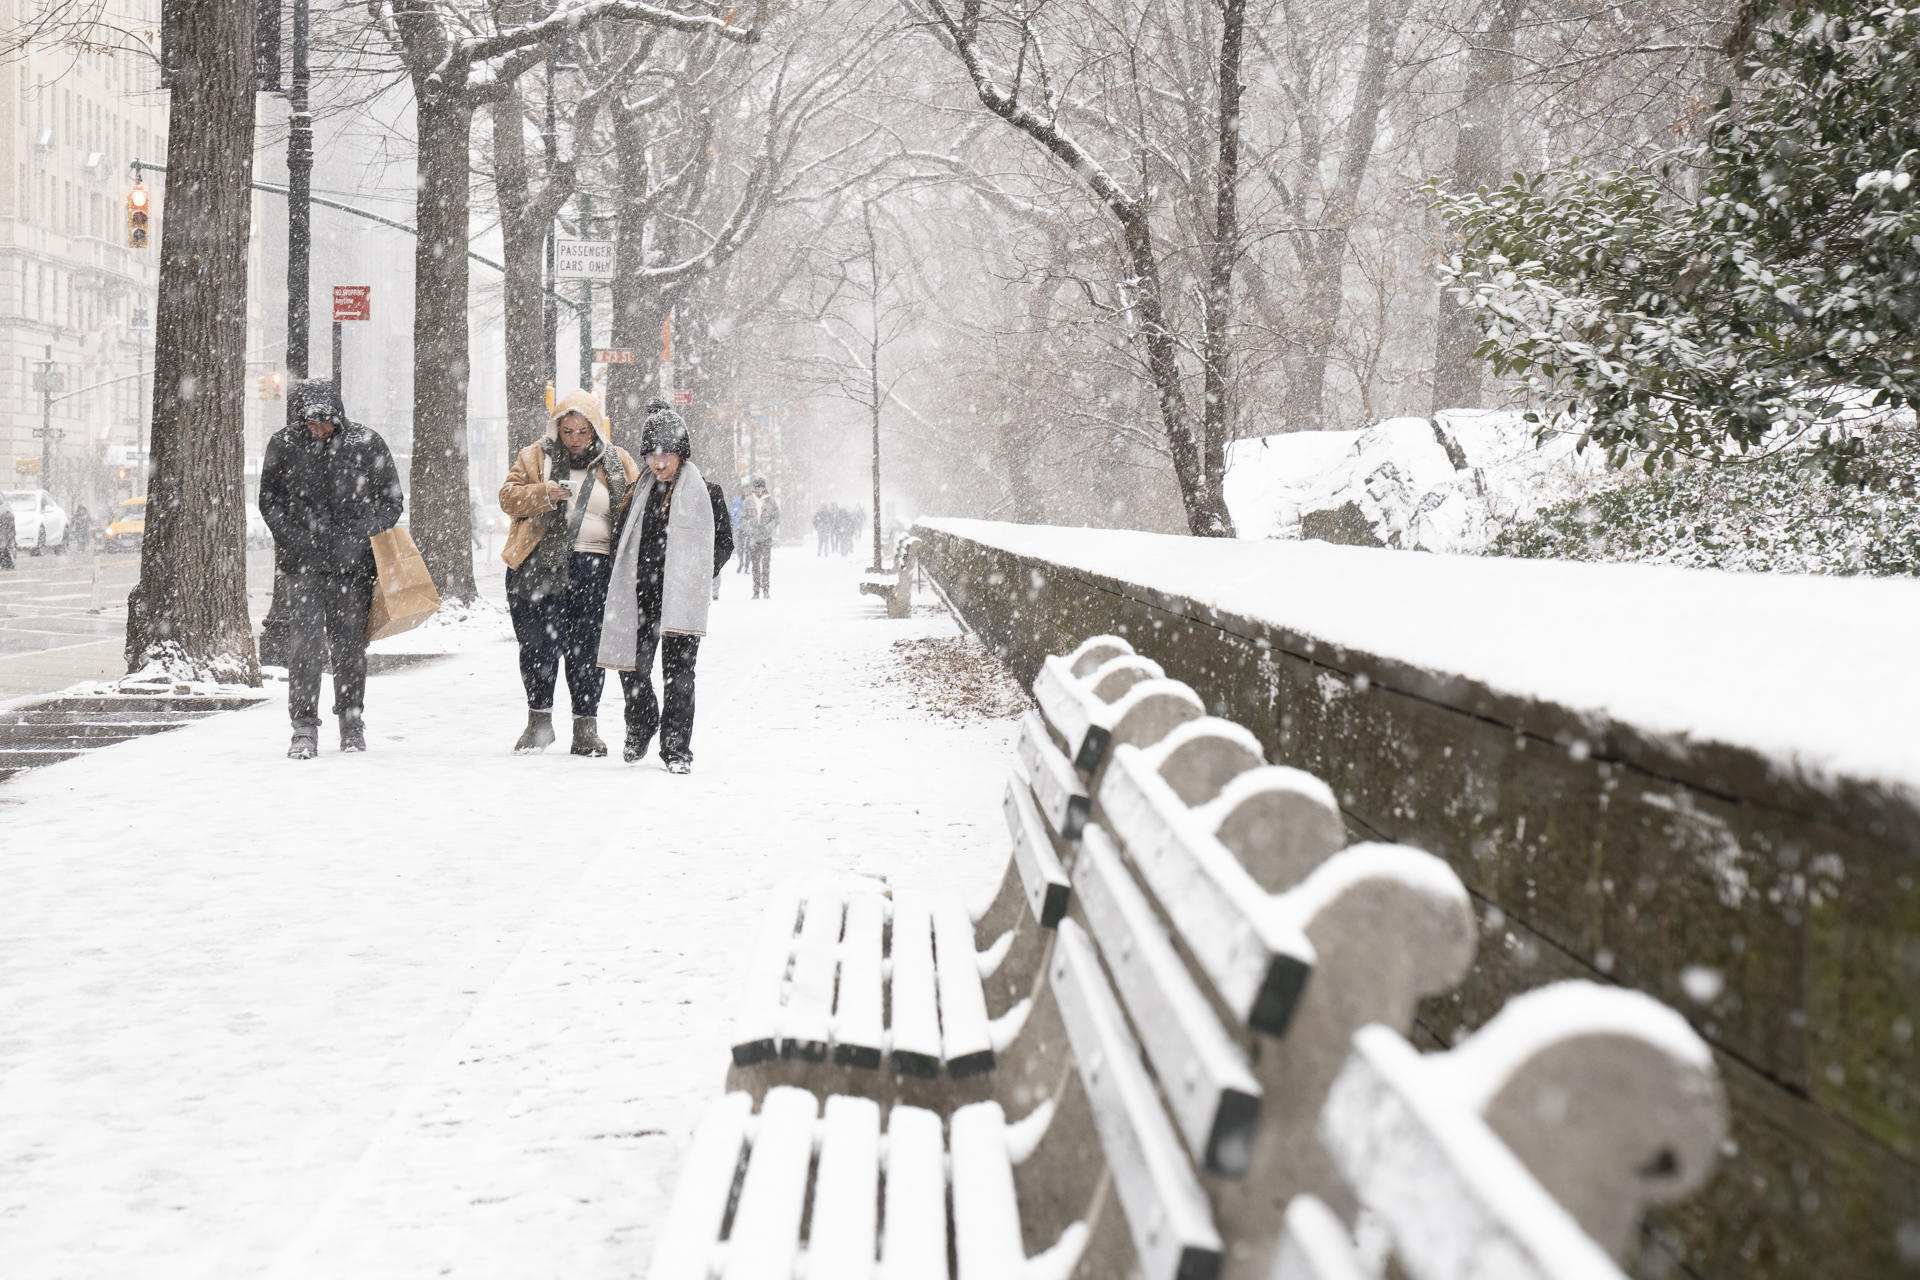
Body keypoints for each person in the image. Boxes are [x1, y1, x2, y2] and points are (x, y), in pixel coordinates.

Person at [258, 378, 404, 760]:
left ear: (338, 417)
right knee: (304, 647)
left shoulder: (366, 443)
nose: (319, 429)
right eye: (311, 423)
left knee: (350, 647)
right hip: (302, 566)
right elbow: (269, 502)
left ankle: (351, 724)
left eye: (325, 423)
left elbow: (392, 501)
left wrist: (361, 535)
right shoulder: (283, 445)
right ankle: (303, 728)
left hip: (353, 568)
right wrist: (294, 538)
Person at [499, 389, 639, 757]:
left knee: (587, 649)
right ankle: (539, 723)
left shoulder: (617, 461)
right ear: (556, 428)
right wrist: (544, 492)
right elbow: (508, 497)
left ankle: (585, 727)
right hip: (539, 566)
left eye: (582, 431)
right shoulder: (534, 457)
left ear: (595, 430)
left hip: (596, 568)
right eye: (567, 431)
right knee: (538, 647)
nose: (574, 439)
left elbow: (636, 505)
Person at [598, 399, 732, 773]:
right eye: (651, 455)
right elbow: (619, 539)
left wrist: (696, 574)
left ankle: (676, 748)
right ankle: (641, 726)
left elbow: (723, 542)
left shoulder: (708, 493)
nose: (658, 463)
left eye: (666, 455)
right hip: (638, 596)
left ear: (681, 454)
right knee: (633, 668)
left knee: (680, 676)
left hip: (681, 598)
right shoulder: (634, 493)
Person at [744, 475, 779, 599]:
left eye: (760, 487)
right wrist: (749, 529)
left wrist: (768, 528)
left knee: (765, 564)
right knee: (755, 565)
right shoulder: (748, 501)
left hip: (766, 538)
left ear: (764, 488)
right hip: (753, 538)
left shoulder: (771, 501)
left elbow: (776, 518)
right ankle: (756, 590)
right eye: (756, 487)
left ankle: (766, 588)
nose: (758, 490)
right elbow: (743, 518)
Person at [733, 480, 752, 575]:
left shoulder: (752, 501)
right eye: (744, 489)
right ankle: (741, 563)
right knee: (740, 548)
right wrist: (737, 522)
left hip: (749, 529)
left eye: (747, 489)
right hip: (740, 528)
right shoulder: (737, 501)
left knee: (748, 548)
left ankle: (747, 567)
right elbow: (733, 513)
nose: (746, 491)